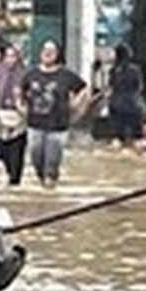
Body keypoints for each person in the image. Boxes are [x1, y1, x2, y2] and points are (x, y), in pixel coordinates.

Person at [19, 40, 89, 188]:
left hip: (58, 124)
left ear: (57, 54)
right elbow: (19, 91)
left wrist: (77, 105)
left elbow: (84, 88)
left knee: (52, 158)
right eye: (45, 49)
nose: (47, 53)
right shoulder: (31, 74)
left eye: (51, 50)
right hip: (34, 123)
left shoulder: (65, 74)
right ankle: (41, 178)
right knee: (35, 154)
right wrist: (21, 107)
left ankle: (50, 179)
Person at [0, 45, 27, 186]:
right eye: (7, 56)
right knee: (4, 152)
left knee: (16, 153)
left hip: (19, 119)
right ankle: (10, 175)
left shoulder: (24, 76)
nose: (10, 60)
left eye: (13, 56)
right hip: (2, 118)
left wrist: (23, 110)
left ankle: (15, 180)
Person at [108, 43, 144, 156]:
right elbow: (139, 87)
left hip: (117, 105)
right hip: (134, 104)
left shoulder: (113, 70)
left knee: (118, 137)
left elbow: (111, 86)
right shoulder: (135, 70)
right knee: (137, 137)